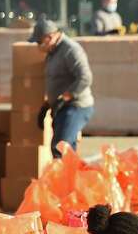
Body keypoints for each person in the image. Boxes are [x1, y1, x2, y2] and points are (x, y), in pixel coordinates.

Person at [30, 18, 94, 155]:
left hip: (76, 106)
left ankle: (61, 176)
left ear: (50, 37)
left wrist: (64, 98)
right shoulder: (52, 53)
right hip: (62, 108)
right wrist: (47, 104)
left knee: (60, 146)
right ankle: (71, 176)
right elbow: (57, 80)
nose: (38, 46)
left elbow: (85, 77)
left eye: (39, 42)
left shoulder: (70, 50)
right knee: (68, 150)